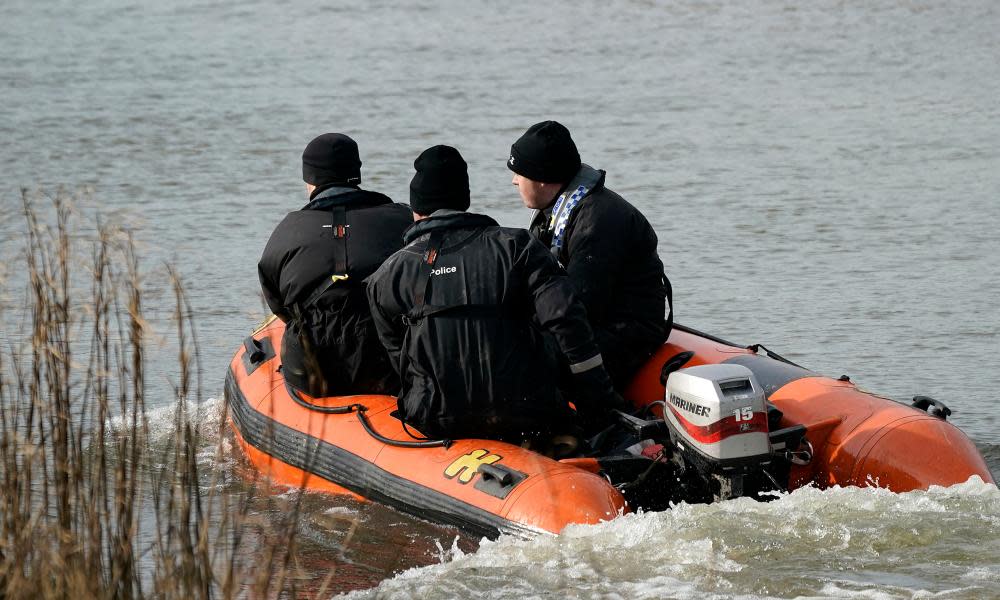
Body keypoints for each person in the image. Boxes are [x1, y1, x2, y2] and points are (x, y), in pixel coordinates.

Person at [366, 145, 625, 443]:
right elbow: (565, 319)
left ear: (416, 212)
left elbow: (398, 354)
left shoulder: (388, 274)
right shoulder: (518, 247)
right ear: (464, 201)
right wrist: (600, 402)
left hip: (435, 418)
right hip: (525, 410)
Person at [508, 120, 672, 390]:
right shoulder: (555, 213)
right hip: (596, 321)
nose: (514, 181)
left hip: (626, 332)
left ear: (542, 178)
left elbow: (581, 303)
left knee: (521, 357)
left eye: (519, 172)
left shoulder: (598, 221)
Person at [258, 133, 412, 397]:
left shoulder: (288, 229)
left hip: (314, 370)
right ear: (357, 172)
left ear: (310, 179)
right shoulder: (402, 218)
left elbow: (278, 303)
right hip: (388, 365)